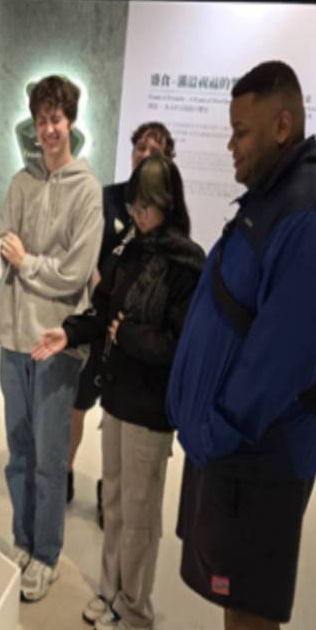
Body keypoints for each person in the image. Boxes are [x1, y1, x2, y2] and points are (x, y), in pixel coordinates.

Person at [163, 60, 316, 630]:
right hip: (237, 451)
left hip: (258, 458)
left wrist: (215, 428)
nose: (231, 147)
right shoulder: (276, 197)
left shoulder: (304, 213)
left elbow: (283, 356)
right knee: (232, 595)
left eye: (242, 132)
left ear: (283, 124)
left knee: (252, 609)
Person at [31, 155, 204, 630]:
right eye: (135, 204)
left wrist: (125, 335)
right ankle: (111, 592)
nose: (139, 214)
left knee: (141, 513)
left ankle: (136, 608)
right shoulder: (129, 251)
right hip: (119, 398)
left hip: (151, 408)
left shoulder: (188, 263)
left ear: (167, 204)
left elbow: (178, 344)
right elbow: (103, 311)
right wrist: (72, 331)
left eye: (148, 205)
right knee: (117, 502)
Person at [0, 75, 103, 603]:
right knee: (18, 452)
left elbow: (75, 272)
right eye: (41, 120)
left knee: (48, 458)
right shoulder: (21, 184)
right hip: (14, 340)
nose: (48, 129)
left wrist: (28, 262)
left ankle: (47, 555)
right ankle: (23, 542)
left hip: (56, 342)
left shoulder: (86, 191)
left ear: (70, 121)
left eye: (56, 119)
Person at [70, 121, 176, 524]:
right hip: (100, 322)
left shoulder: (168, 217)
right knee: (76, 406)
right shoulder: (108, 199)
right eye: (140, 146)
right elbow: (89, 256)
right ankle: (63, 473)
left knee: (115, 418)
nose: (145, 153)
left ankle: (106, 492)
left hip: (135, 335)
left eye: (155, 149)